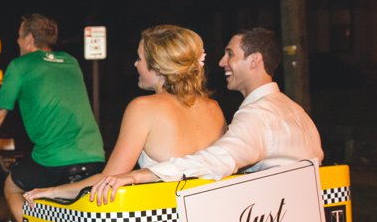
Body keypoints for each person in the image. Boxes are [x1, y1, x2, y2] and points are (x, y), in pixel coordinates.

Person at [90, 27, 323, 204]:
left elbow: (218, 160)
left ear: (255, 60)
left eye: (230, 54)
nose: (221, 62)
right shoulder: (295, 111)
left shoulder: (258, 115)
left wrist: (138, 176)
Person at [22, 25, 226, 205]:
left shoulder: (144, 108)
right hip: (207, 219)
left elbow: (109, 179)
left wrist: (51, 191)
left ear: (157, 66)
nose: (134, 64)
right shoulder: (214, 108)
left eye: (139, 58)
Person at [0, 13, 106, 222]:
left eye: (19, 36)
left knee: (12, 188)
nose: (17, 41)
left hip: (53, 157)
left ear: (30, 39)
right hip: (94, 154)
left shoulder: (20, 66)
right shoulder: (71, 62)